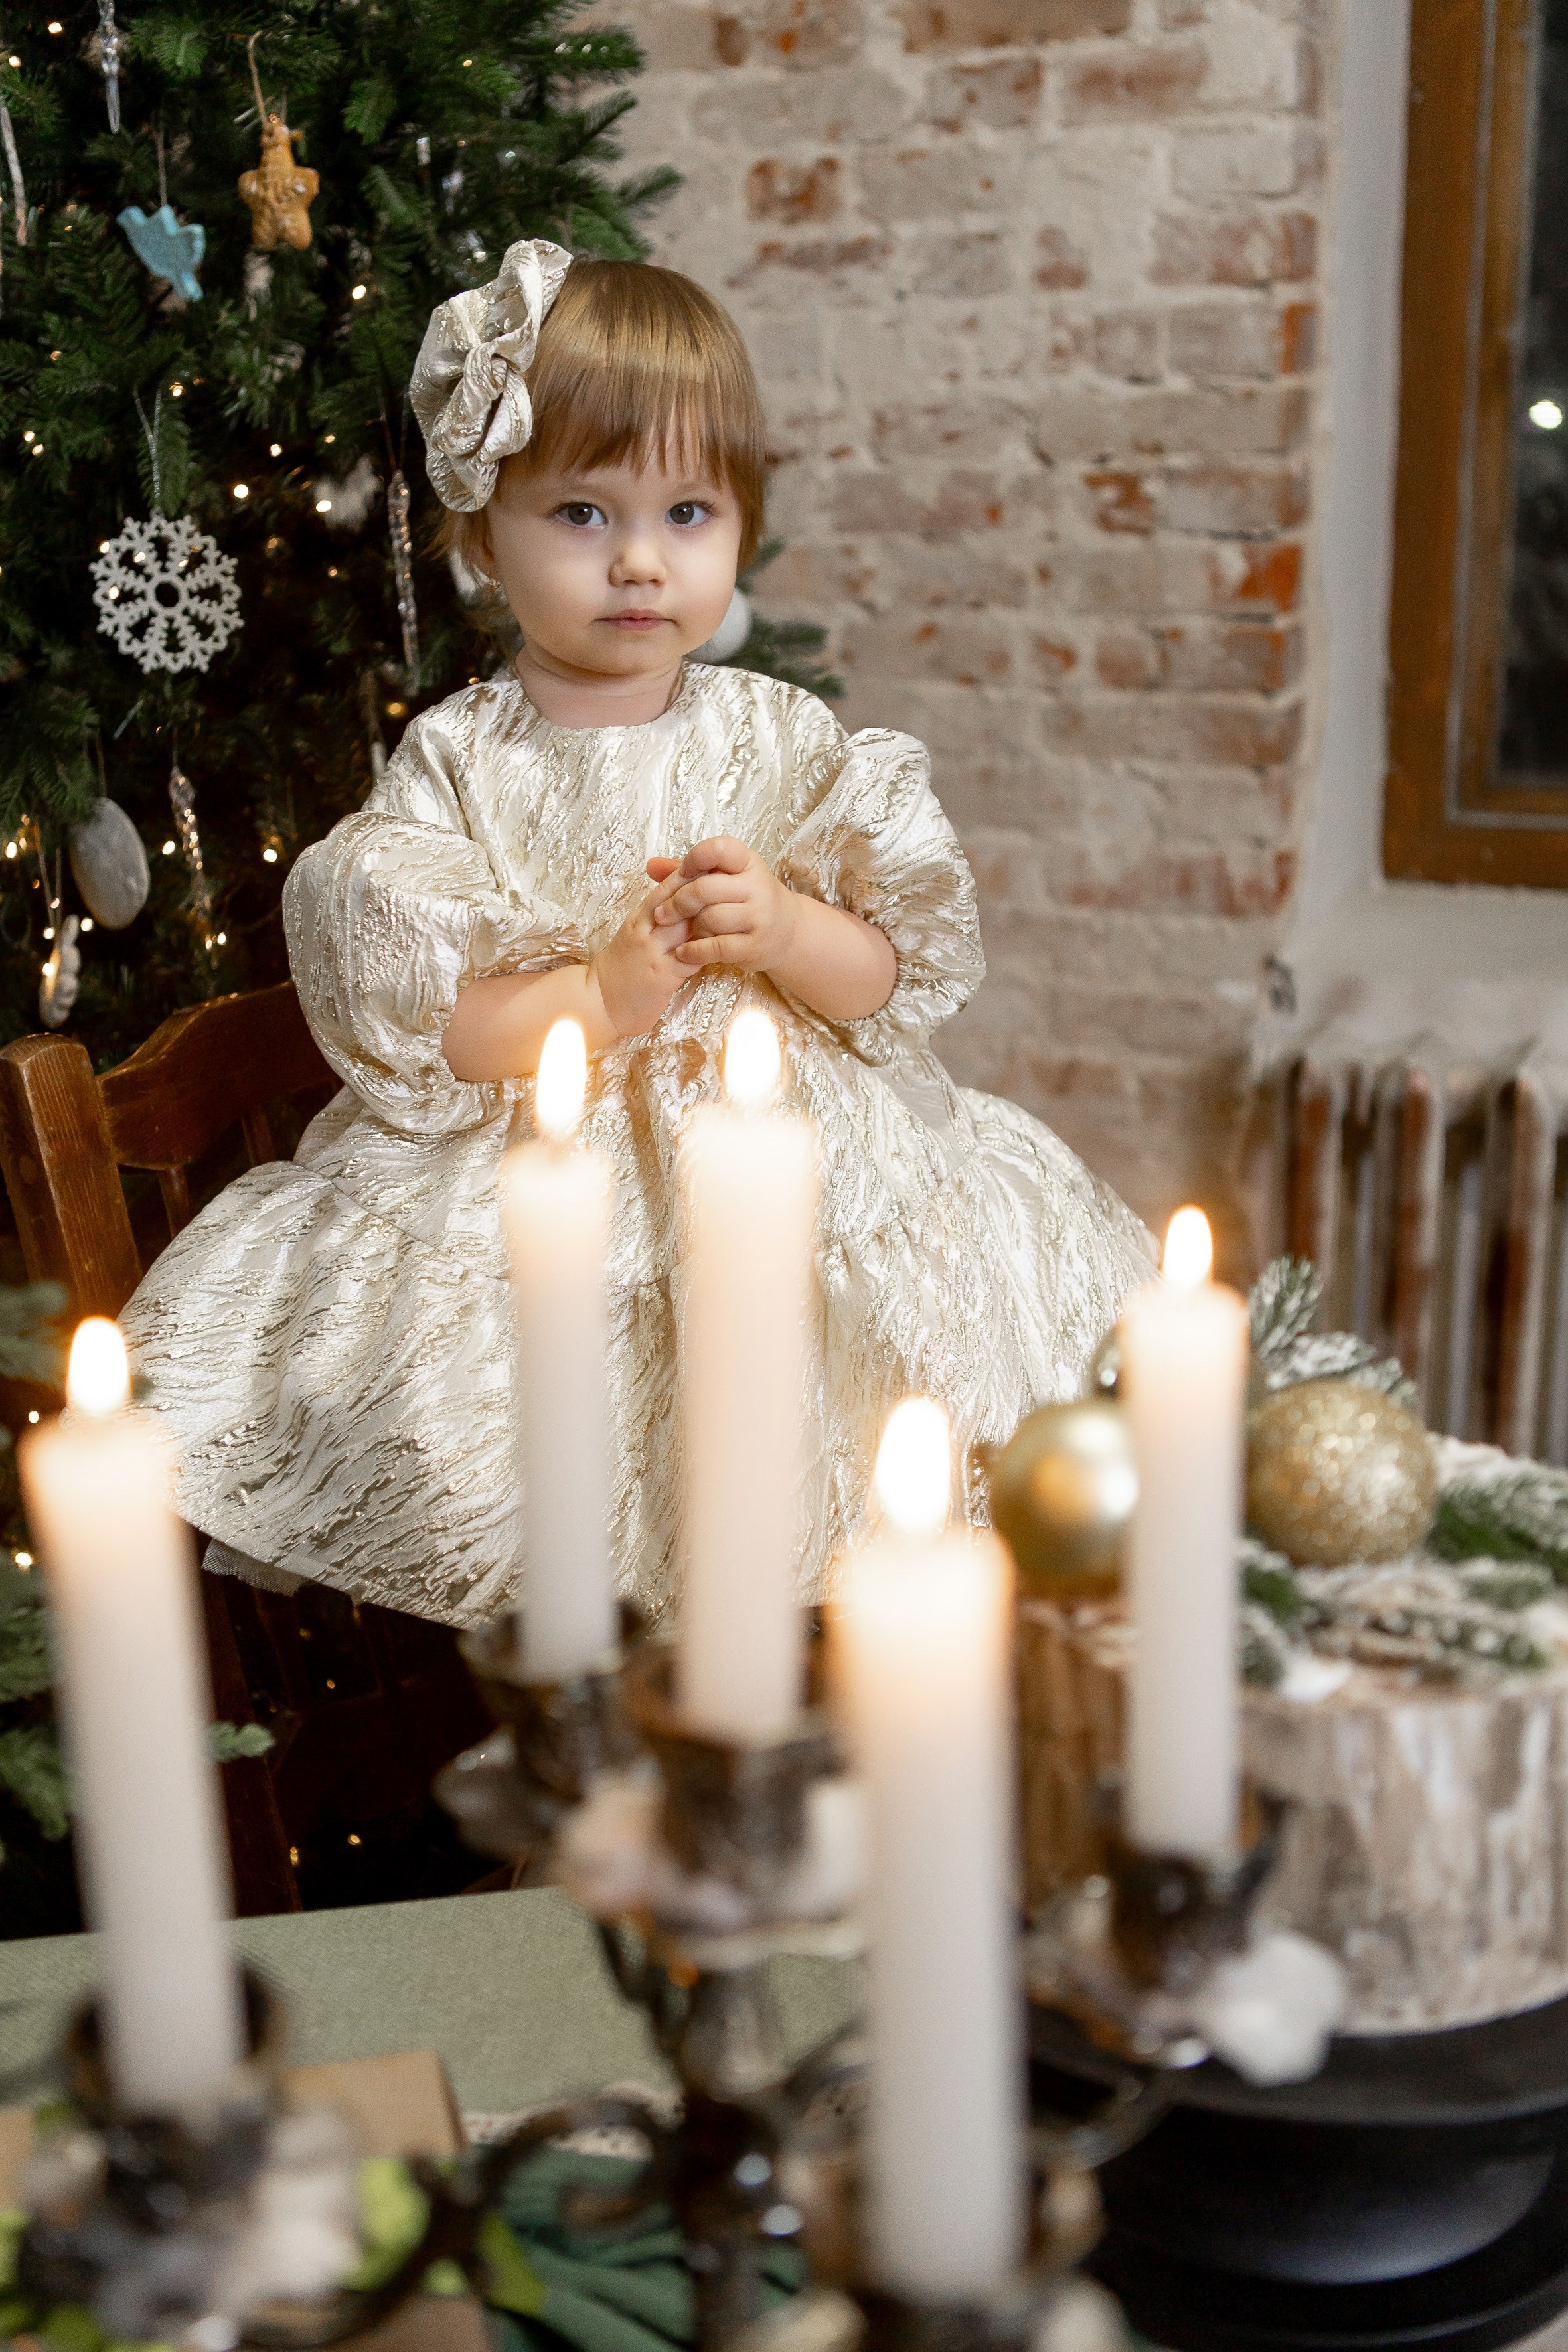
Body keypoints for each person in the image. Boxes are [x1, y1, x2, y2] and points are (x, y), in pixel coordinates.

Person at [122, 240, 1154, 1630]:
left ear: (739, 525)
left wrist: (788, 926)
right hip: (554, 1193)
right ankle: (609, 1685)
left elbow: (888, 983)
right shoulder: (461, 764)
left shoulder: (782, 739)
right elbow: (437, 1035)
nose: (639, 562)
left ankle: (784, 1670)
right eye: (582, 515)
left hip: (794, 1174)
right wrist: (599, 994)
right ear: (484, 536)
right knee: (583, 1465)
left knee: (819, 1439)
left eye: (685, 510)